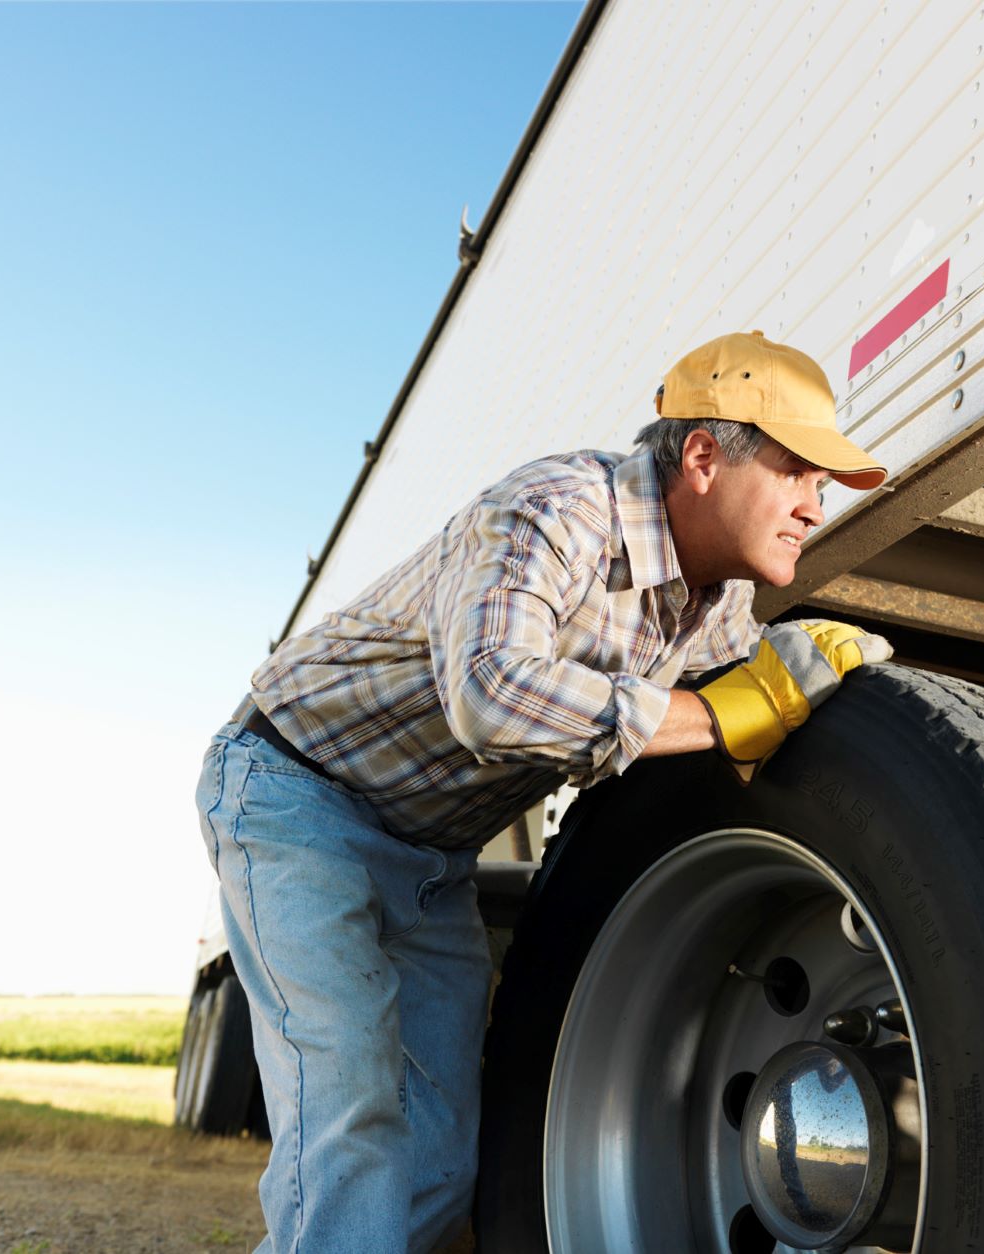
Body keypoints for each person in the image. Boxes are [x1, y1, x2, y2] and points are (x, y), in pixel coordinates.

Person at [193, 329, 893, 1252]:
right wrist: (730, 710)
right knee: (352, 1109)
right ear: (701, 458)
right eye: (799, 472)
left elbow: (720, 745)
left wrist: (807, 695)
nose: (814, 506)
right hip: (295, 795)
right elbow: (490, 694)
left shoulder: (716, 607)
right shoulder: (557, 509)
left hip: (430, 854)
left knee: (443, 1152)